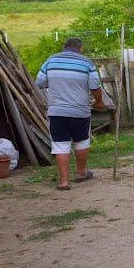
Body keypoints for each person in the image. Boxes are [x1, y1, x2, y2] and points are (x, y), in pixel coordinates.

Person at [36, 37, 104, 190]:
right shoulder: (86, 62)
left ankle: (64, 182)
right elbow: (95, 86)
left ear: (64, 47)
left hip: (57, 112)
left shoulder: (51, 60)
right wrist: (99, 102)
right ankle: (81, 174)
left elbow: (40, 82)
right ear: (80, 48)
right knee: (81, 141)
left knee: (60, 145)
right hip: (80, 111)